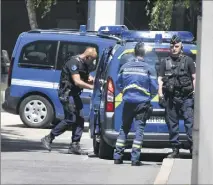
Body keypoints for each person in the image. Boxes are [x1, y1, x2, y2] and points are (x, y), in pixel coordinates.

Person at [41, 47, 97, 155]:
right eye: (92, 59)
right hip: (67, 94)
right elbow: (77, 81)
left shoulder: (84, 64)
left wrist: (94, 80)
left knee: (80, 118)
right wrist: (92, 87)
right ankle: (48, 138)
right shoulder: (73, 62)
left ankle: (74, 145)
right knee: (71, 119)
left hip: (74, 94)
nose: (92, 62)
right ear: (87, 57)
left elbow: (86, 76)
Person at [113, 42, 158, 166]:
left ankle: (117, 157)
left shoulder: (125, 67)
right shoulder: (149, 69)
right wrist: (148, 97)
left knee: (124, 129)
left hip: (128, 102)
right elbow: (154, 88)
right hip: (142, 104)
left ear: (134, 52)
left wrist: (126, 94)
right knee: (139, 130)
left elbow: (118, 84)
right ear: (144, 53)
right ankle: (135, 159)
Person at [158, 35, 196, 158]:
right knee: (172, 124)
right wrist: (160, 94)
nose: (174, 48)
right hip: (171, 98)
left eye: (176, 46)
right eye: (172, 47)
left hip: (186, 97)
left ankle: (192, 147)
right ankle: (175, 149)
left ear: (181, 47)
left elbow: (194, 78)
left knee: (189, 123)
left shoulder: (188, 61)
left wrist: (195, 92)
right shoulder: (165, 62)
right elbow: (160, 80)